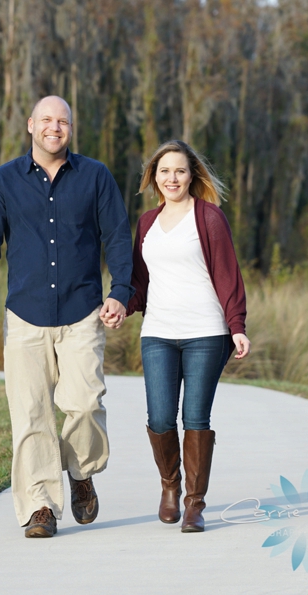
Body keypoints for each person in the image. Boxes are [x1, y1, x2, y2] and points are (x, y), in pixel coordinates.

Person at [0, 95, 133, 538]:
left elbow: (117, 236)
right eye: (46, 120)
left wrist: (120, 292)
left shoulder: (95, 176)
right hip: (25, 315)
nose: (54, 127)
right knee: (31, 415)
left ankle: (81, 472)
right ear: (30, 126)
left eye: (62, 121)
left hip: (83, 312)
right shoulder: (3, 181)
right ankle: (39, 505)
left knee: (85, 405)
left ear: (70, 128)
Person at [125, 140, 251, 533]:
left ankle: (195, 504)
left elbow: (227, 274)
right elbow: (139, 282)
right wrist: (121, 306)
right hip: (158, 332)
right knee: (160, 417)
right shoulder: (147, 223)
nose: (172, 178)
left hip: (206, 332)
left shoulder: (209, 217)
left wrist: (237, 326)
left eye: (179, 170)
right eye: (164, 171)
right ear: (154, 177)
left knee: (195, 416)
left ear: (192, 175)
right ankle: (170, 486)